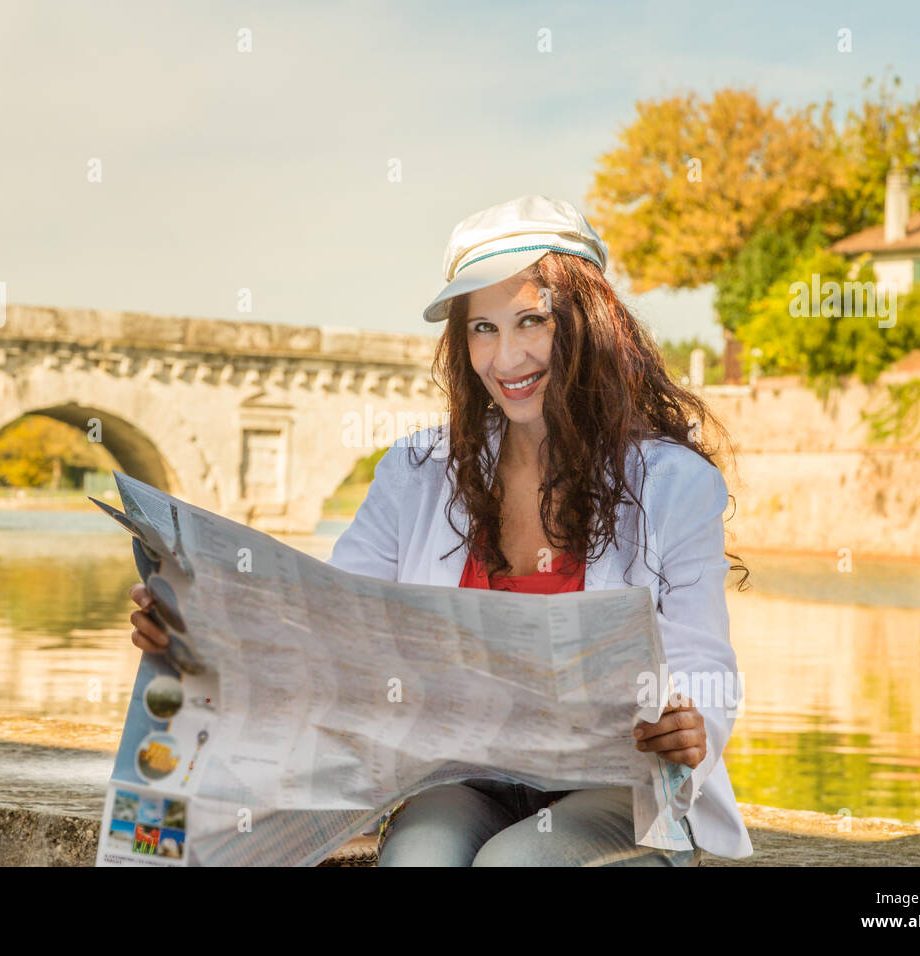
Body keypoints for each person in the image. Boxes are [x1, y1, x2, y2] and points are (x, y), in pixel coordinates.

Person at [129, 194, 754, 866]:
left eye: (531, 321)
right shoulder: (416, 472)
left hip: (615, 787)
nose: (505, 358)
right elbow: (330, 618)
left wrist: (691, 722)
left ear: (591, 324)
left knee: (515, 864)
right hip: (465, 776)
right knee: (419, 856)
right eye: (482, 328)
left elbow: (701, 658)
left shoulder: (672, 482)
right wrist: (201, 625)